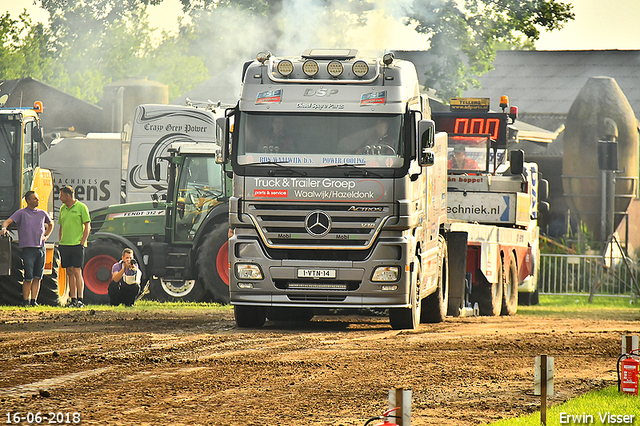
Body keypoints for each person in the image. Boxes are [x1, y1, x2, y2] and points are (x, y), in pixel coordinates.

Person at [1, 191, 54, 306]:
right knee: (28, 276)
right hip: (28, 249)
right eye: (35, 199)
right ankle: (26, 300)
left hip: (40, 248)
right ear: (28, 201)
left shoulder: (42, 213)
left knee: (37, 277)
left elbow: (51, 224)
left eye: (38, 198)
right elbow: (7, 221)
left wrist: (46, 236)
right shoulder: (21, 213)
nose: (38, 200)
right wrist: (4, 228)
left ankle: (34, 300)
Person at [58, 185, 91, 308]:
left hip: (77, 244)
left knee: (77, 271)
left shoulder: (81, 207)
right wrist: (60, 240)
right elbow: (61, 226)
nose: (59, 197)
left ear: (68, 195)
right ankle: (73, 299)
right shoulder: (62, 209)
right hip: (65, 245)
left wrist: (82, 242)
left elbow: (87, 226)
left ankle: (80, 299)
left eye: (61, 195)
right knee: (69, 271)